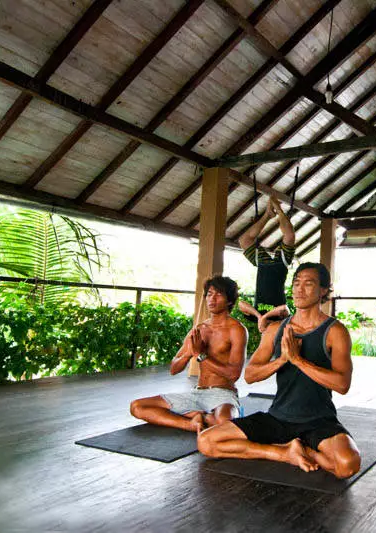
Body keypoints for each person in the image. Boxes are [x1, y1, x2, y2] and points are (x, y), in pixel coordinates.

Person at [197, 263, 361, 479]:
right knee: (206, 442)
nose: (299, 290)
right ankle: (285, 452)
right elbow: (250, 374)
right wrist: (282, 360)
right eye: (296, 283)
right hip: (278, 418)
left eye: (308, 284)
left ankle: (305, 449)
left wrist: (298, 360)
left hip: (319, 420)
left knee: (348, 465)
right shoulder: (276, 329)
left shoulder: (335, 332)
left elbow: (342, 385)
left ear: (323, 291)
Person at [130, 276, 248, 432]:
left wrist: (201, 354)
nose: (212, 298)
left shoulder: (237, 330)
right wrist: (189, 353)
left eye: (218, 294)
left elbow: (233, 375)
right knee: (137, 406)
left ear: (229, 301)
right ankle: (192, 423)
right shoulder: (200, 329)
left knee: (224, 422)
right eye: (209, 294)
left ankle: (198, 416)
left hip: (223, 395)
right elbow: (174, 369)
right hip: (197, 393)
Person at [237, 196, 295, 332]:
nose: (263, 328)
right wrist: (266, 317)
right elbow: (283, 308)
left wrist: (259, 316)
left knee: (244, 240)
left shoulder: (254, 317)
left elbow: (241, 304)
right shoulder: (281, 319)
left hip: (263, 266)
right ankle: (279, 211)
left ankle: (268, 215)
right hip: (280, 266)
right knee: (290, 236)